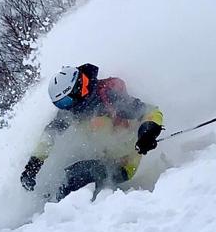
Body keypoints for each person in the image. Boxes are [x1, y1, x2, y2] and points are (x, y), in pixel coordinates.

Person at [20, 63, 163, 200]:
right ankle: (52, 204)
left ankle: (64, 214)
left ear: (78, 89)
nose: (67, 107)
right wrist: (33, 165)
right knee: (64, 174)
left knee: (78, 173)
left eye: (67, 101)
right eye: (61, 104)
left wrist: (148, 133)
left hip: (123, 164)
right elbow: (50, 135)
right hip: (99, 158)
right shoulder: (71, 112)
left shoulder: (108, 98)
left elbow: (151, 111)